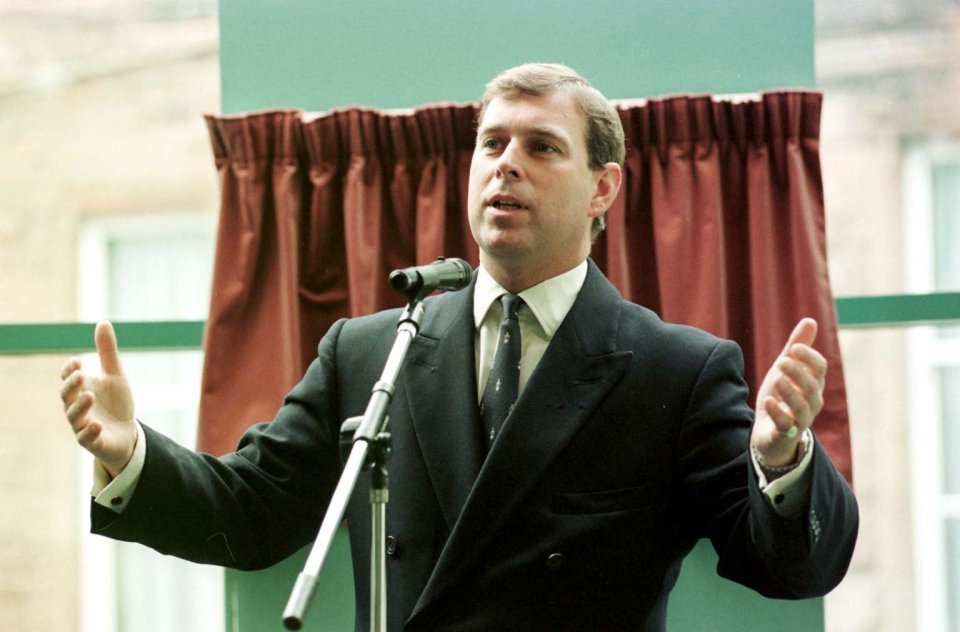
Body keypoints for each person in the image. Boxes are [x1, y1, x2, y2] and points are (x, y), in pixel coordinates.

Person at [59, 63, 858, 631]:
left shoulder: (676, 369)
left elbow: (787, 567)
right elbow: (252, 512)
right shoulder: (372, 351)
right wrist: (131, 456)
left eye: (541, 147)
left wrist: (784, 461)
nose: (506, 163)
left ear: (603, 189)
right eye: (491, 144)